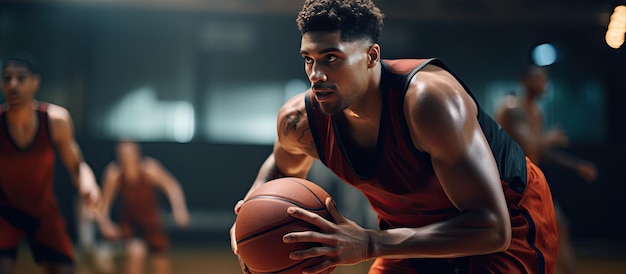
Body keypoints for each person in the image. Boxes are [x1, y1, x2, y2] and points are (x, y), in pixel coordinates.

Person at [229, 0, 559, 273]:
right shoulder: (299, 122)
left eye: (331, 58)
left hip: (507, 225)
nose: (316, 75)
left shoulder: (429, 103)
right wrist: (248, 220)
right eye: (309, 60)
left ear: (372, 56)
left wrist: (370, 243)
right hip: (410, 232)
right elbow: (279, 168)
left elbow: (492, 228)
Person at [0, 51, 101, 274]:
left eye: (21, 78)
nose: (13, 84)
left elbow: (78, 165)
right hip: (4, 211)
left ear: (35, 83)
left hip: (43, 210)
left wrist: (88, 185)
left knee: (65, 269)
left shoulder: (55, 120)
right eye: (7, 78)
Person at [494, 65, 598, 274]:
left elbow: (540, 152)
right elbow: (528, 147)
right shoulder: (513, 108)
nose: (544, 83)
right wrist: (548, 139)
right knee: (508, 243)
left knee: (559, 228)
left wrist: (576, 166)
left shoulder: (535, 111)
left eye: (545, 79)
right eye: (538, 78)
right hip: (508, 184)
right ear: (524, 81)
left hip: (529, 182)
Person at [97, 140, 189, 274]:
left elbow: (172, 186)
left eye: (129, 154)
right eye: (123, 155)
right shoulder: (114, 174)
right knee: (136, 253)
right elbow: (104, 203)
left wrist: (180, 210)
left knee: (161, 262)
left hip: (153, 223)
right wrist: (104, 224)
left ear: (137, 154)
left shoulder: (150, 169)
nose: (127, 158)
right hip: (131, 226)